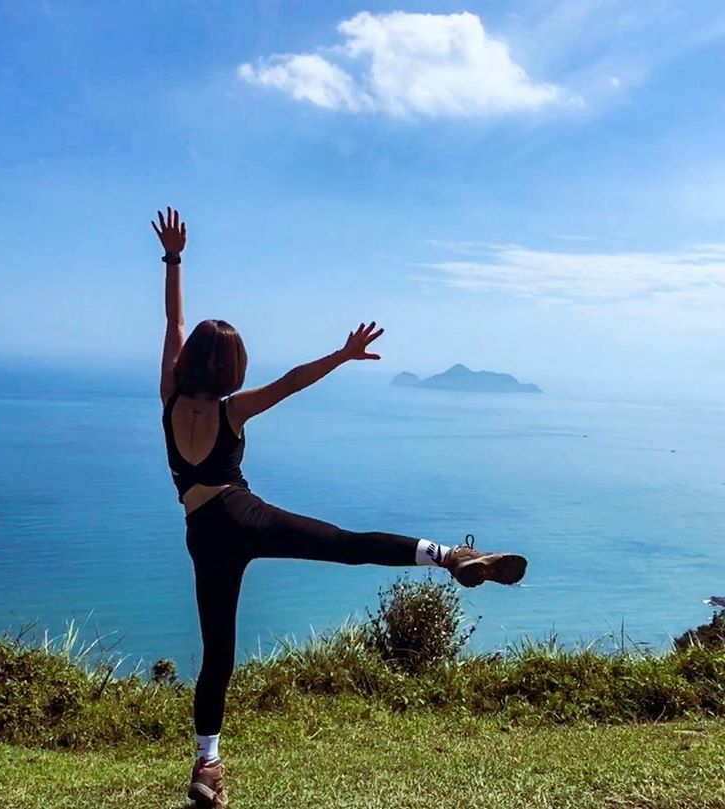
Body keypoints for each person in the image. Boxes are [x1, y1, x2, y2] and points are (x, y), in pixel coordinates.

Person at [152, 207, 527, 808]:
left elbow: (172, 323)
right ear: (231, 368)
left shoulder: (171, 397)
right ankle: (451, 556)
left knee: (217, 652)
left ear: (192, 360)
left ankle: (207, 767)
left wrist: (174, 260)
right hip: (244, 515)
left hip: (203, 533)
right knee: (343, 544)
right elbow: (293, 381)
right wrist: (343, 353)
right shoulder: (234, 409)